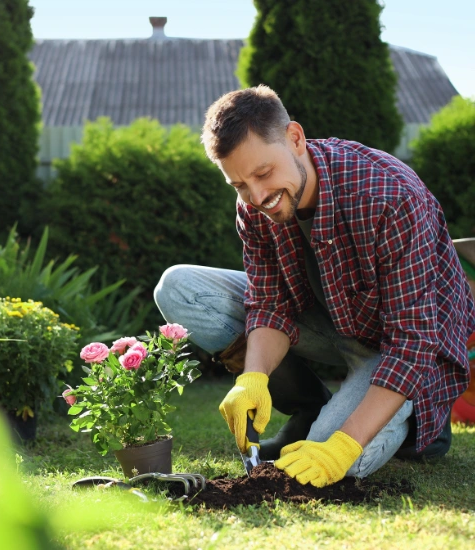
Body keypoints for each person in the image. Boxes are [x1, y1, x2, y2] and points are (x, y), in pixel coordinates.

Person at [154, 85, 475, 488]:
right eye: (239, 185)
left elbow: (415, 341)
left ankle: (419, 425)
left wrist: (343, 445)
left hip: (401, 346)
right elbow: (269, 302)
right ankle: (310, 409)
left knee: (339, 459)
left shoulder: (387, 196)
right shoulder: (255, 206)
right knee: (178, 288)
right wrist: (253, 377)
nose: (257, 197)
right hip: (333, 320)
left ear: (295, 138)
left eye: (263, 173)